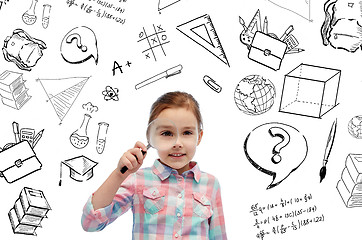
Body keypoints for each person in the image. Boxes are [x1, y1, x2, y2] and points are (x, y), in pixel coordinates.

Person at [81, 91, 227, 239]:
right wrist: (119, 175)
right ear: (151, 137)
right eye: (167, 133)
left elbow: (219, 236)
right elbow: (90, 223)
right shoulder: (138, 180)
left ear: (199, 137)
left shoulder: (211, 184)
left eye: (187, 132)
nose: (177, 143)